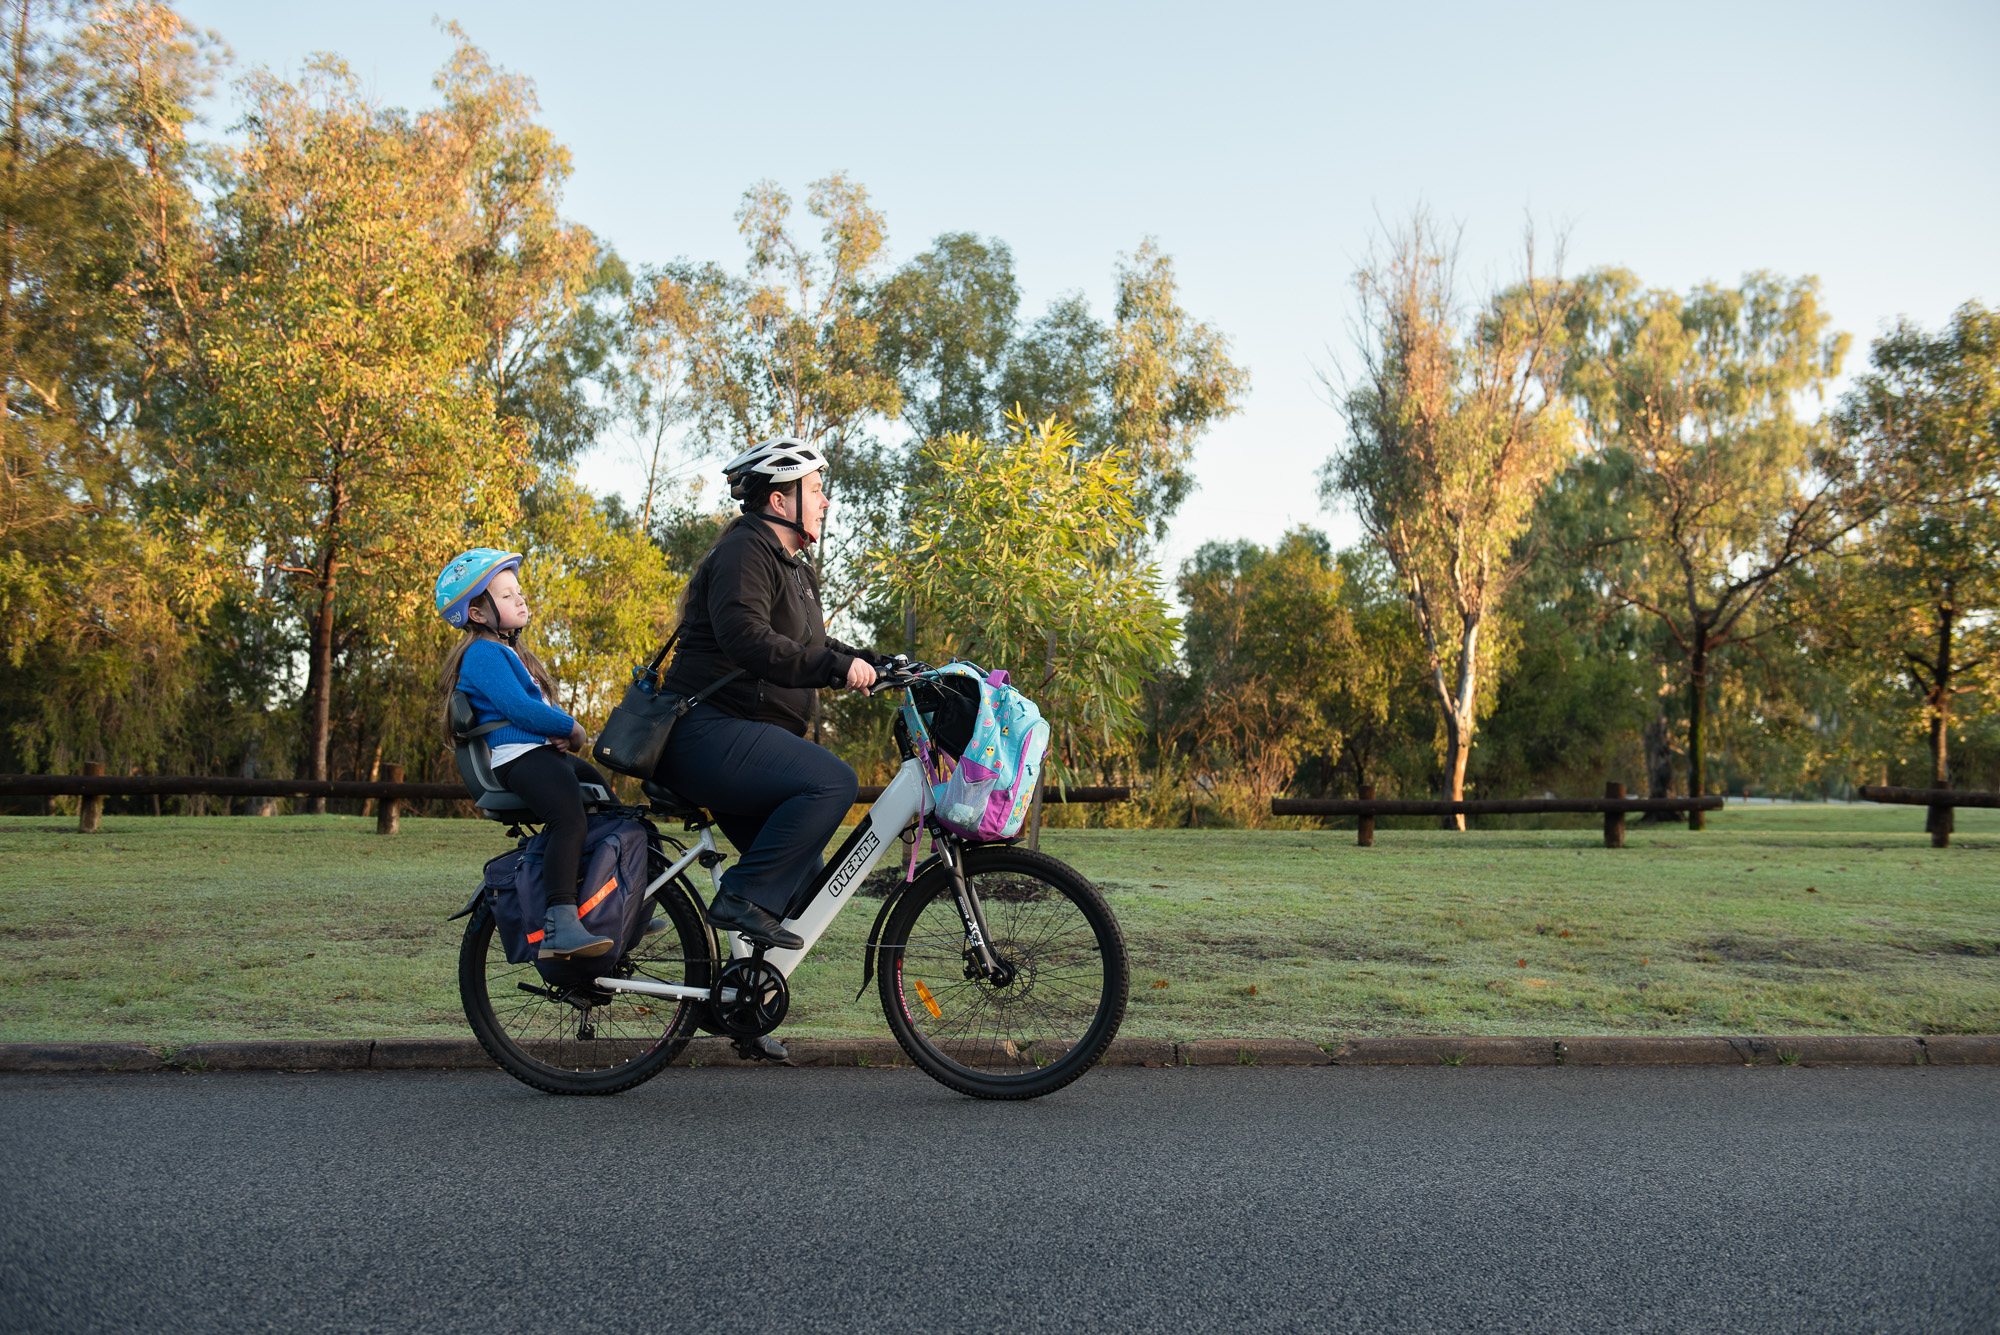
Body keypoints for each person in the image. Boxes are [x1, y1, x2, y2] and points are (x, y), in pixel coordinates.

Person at [651, 436, 884, 951]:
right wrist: (836, 668)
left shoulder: (795, 569)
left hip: (741, 741)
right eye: (817, 489)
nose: (826, 502)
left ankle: (742, 1006)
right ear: (780, 501)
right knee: (833, 783)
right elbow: (748, 640)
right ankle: (739, 895)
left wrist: (877, 662)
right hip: (703, 732)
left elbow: (814, 645)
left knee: (803, 891)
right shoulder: (743, 550)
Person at [435, 548, 617, 960]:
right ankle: (561, 922)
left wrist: (554, 732)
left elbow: (529, 709)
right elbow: (519, 709)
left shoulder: (508, 652)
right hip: (519, 760)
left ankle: (611, 904)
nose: (520, 599)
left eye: (518, 591)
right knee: (568, 817)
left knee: (607, 804)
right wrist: (570, 728)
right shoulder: (483, 653)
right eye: (505, 595)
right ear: (478, 614)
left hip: (536, 754)